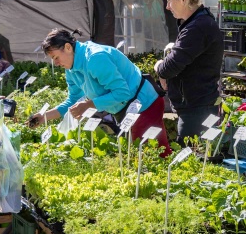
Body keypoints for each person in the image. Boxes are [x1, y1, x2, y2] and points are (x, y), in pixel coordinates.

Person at [28, 28, 171, 155]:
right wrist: (44, 117)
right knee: (137, 158)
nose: (56, 63)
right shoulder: (71, 70)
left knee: (153, 156)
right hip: (126, 111)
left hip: (145, 104)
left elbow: (122, 93)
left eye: (56, 58)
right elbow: (72, 101)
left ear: (67, 47)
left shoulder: (95, 58)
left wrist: (89, 104)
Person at [154, 0, 223, 146]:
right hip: (198, 106)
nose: (168, 7)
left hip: (197, 109)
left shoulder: (197, 27)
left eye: (170, 0)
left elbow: (169, 68)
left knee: (193, 160)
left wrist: (159, 66)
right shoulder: (198, 23)